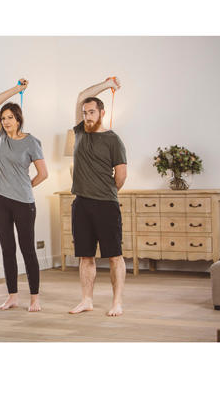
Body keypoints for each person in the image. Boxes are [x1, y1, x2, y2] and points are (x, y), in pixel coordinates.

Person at [69, 77, 127, 317]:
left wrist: (105, 191)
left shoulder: (113, 140)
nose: (87, 116)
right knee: (85, 256)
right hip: (81, 204)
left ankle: (117, 302)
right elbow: (81, 95)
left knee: (114, 256)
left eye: (92, 112)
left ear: (102, 113)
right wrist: (106, 83)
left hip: (106, 205)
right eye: (85, 112)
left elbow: (121, 176)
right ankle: (86, 300)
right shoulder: (80, 132)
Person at [0, 79, 48, 312]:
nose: (5, 121)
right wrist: (18, 89)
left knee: (27, 250)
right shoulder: (1, 136)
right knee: (7, 249)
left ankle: (34, 298)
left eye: (10, 117)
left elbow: (43, 174)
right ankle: (12, 296)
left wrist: (25, 187)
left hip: (23, 202)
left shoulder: (31, 142)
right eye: (3, 118)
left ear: (19, 119)